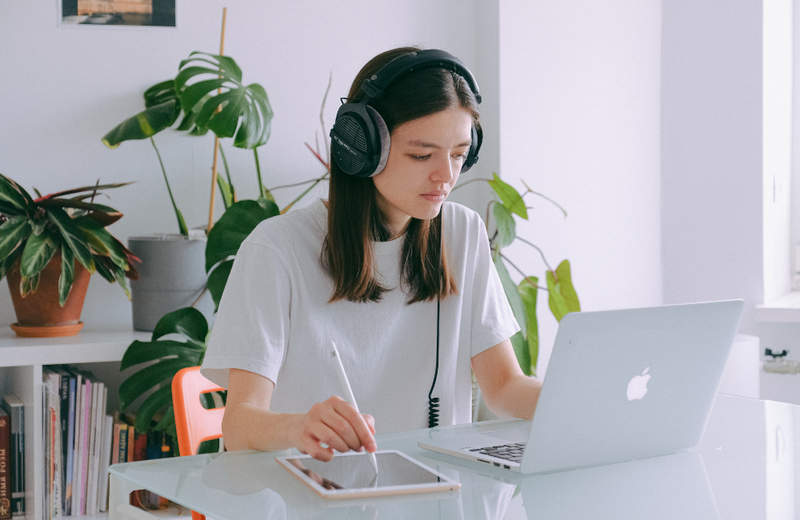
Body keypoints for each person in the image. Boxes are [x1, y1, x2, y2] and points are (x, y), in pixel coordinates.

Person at [200, 46, 543, 462]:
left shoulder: (462, 233)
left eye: (458, 154)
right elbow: (238, 424)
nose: (446, 176)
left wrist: (587, 400)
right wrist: (297, 426)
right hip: (305, 496)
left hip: (432, 500)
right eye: (421, 155)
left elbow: (504, 387)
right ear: (360, 148)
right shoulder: (277, 248)